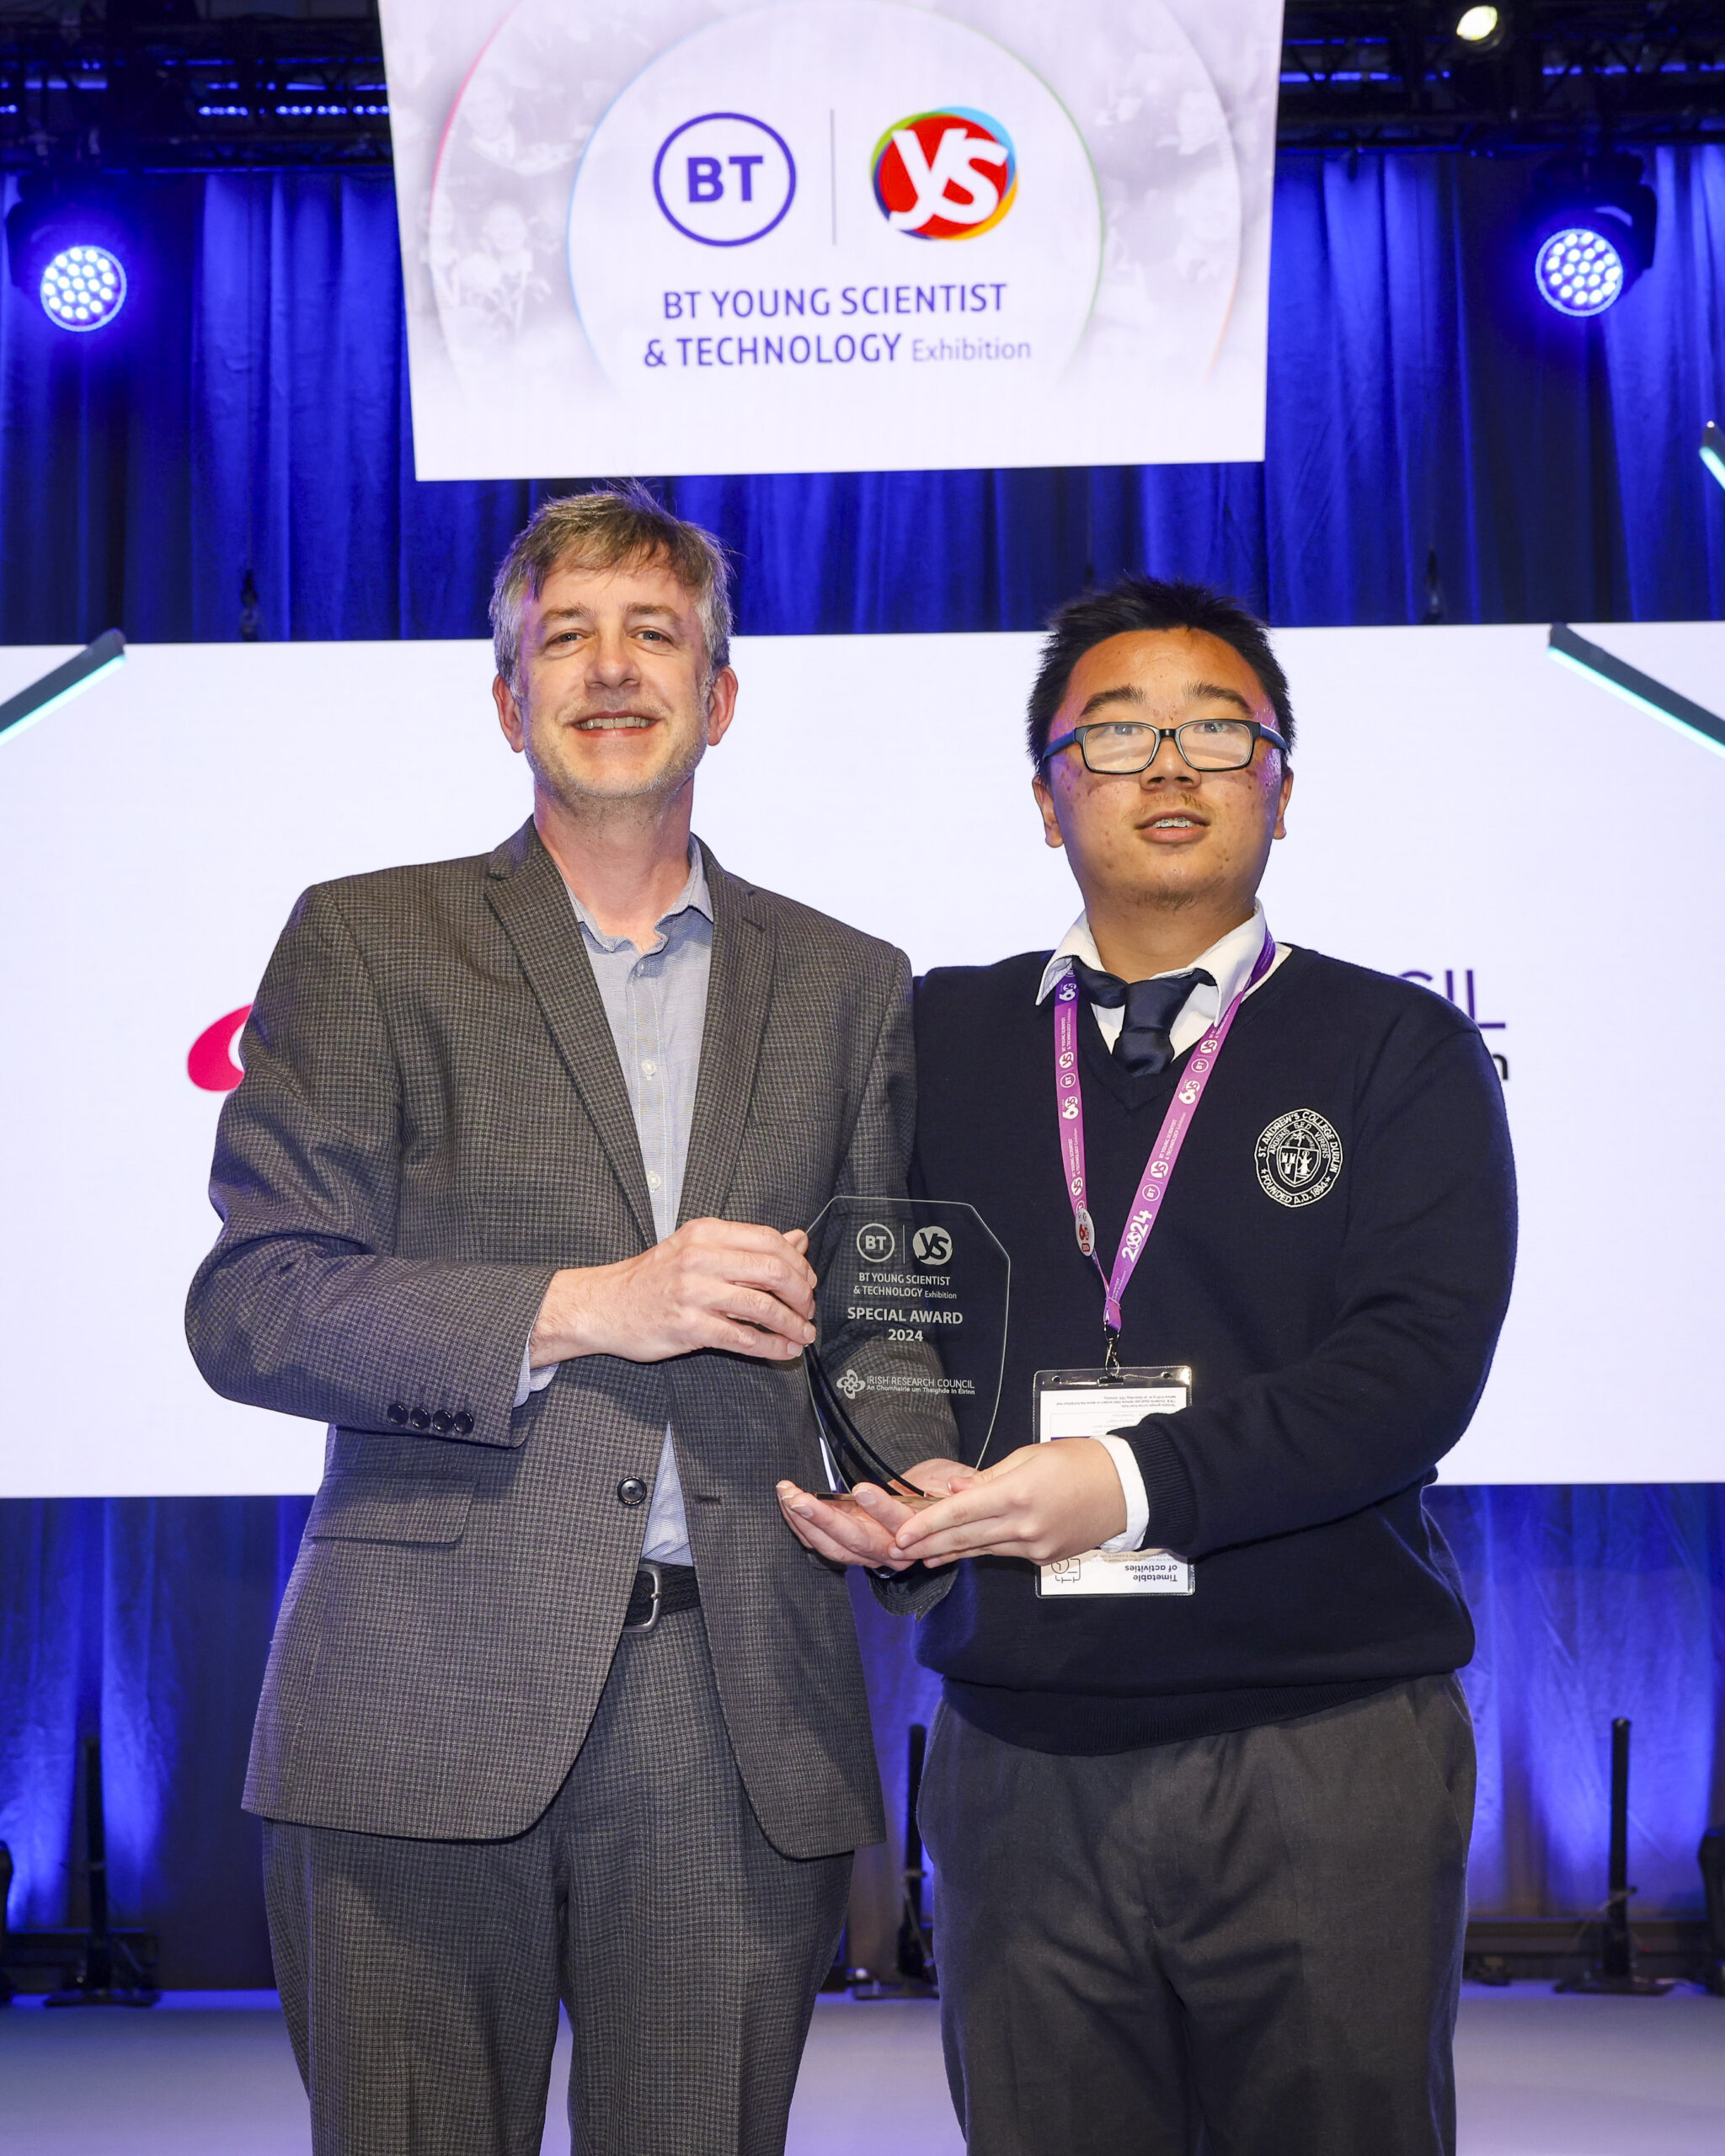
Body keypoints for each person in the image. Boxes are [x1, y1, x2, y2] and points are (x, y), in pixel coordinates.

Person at [186, 485, 915, 2156]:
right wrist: (584, 1305)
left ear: (720, 696)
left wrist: (915, 1490)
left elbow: (879, 1333)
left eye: (655, 632)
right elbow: (256, 1299)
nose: (608, 668)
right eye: (562, 635)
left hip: (736, 1711)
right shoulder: (369, 938)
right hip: (416, 1694)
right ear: (507, 696)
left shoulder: (849, 980)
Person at [778, 575, 1516, 2156]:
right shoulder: (939, 1038)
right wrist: (881, 1474)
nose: (1167, 768)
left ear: (1283, 787)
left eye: (1214, 733)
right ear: (1048, 800)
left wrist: (1114, 1483)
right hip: (1022, 1758)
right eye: (1113, 737)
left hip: (1325, 1750)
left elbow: (1409, 1376)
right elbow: (865, 1306)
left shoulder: (1400, 1051)